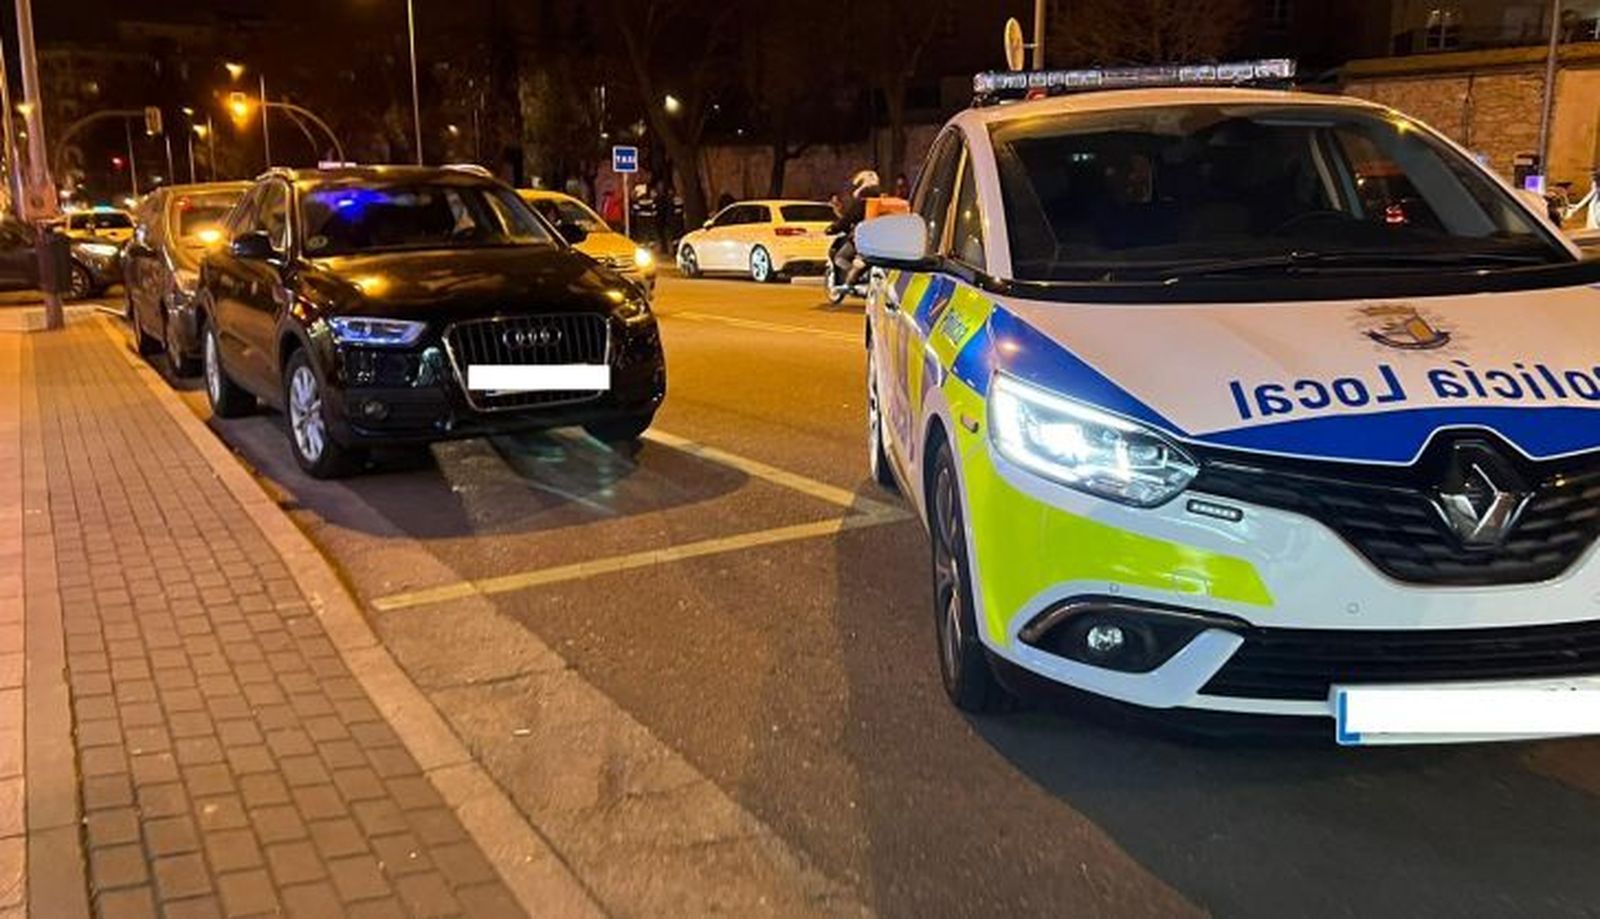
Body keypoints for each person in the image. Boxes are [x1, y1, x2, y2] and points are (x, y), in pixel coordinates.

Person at [826, 169, 882, 286]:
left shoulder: (862, 202)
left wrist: (833, 228)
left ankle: (855, 273)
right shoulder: (882, 200)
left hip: (862, 239)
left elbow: (847, 220)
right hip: (881, 240)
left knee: (839, 258)